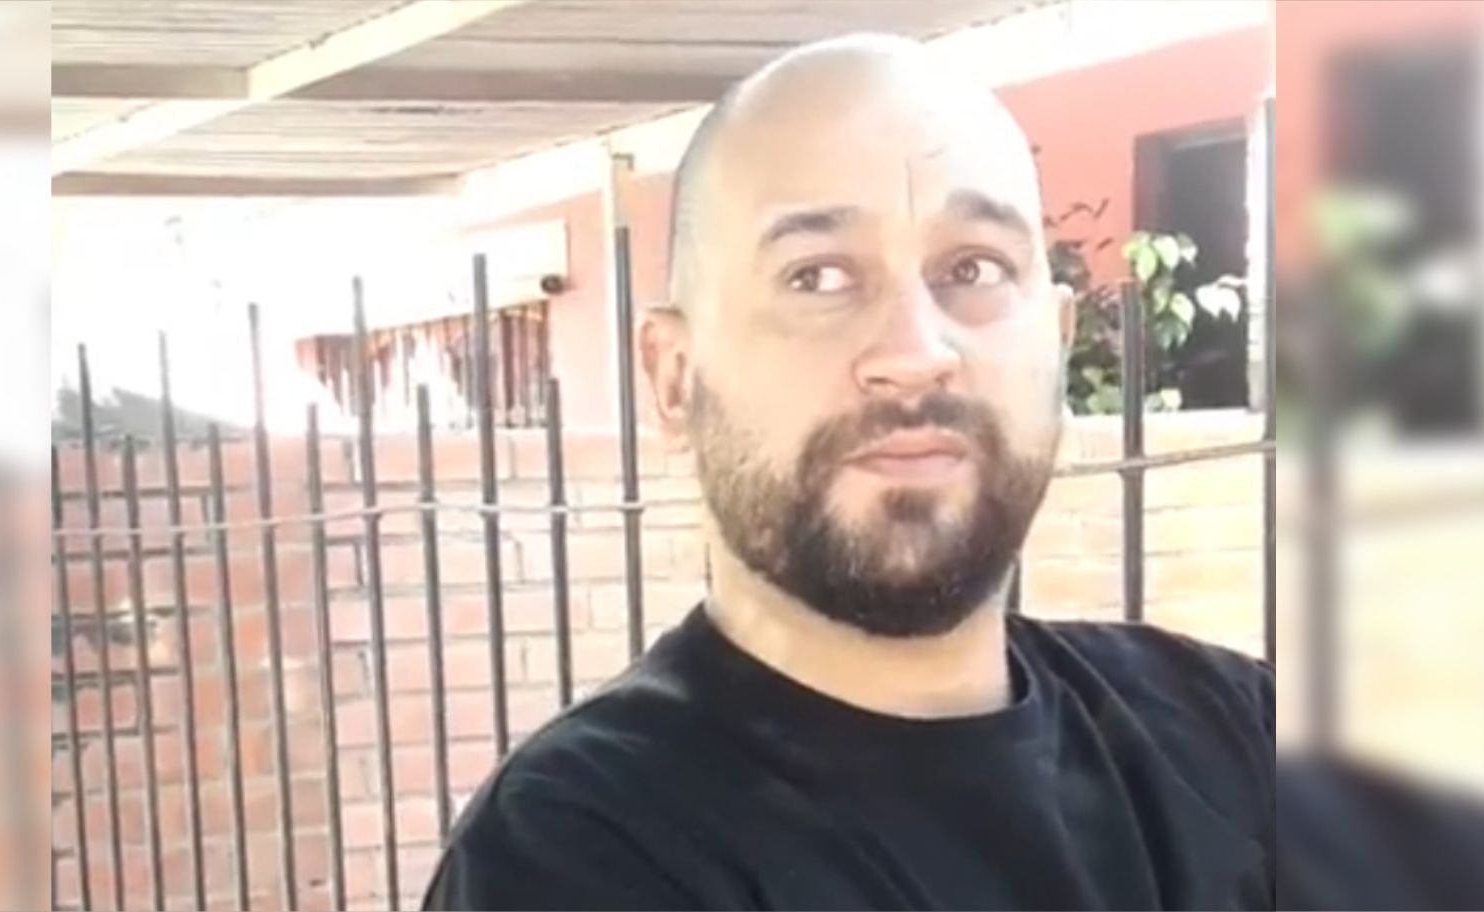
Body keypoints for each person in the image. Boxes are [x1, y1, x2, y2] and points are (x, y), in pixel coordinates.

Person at [424, 34, 1274, 910]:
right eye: (818, 277)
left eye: (973, 268)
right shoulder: (576, 851)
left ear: (1056, 346)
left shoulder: (1239, 735)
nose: (916, 353)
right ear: (675, 377)